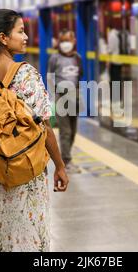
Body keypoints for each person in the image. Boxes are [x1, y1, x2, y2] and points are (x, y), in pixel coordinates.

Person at [0, 9, 68, 252]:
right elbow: (44, 127)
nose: (26, 36)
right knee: (28, 238)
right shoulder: (24, 73)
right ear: (3, 38)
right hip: (25, 168)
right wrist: (60, 166)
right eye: (20, 31)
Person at [48, 29, 83, 173]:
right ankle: (66, 161)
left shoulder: (77, 58)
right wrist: (51, 97)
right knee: (65, 131)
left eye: (68, 40)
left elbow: (80, 76)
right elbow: (50, 77)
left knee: (73, 130)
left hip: (74, 96)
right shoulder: (54, 58)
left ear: (74, 41)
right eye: (62, 41)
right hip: (61, 96)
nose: (65, 44)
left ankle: (67, 158)